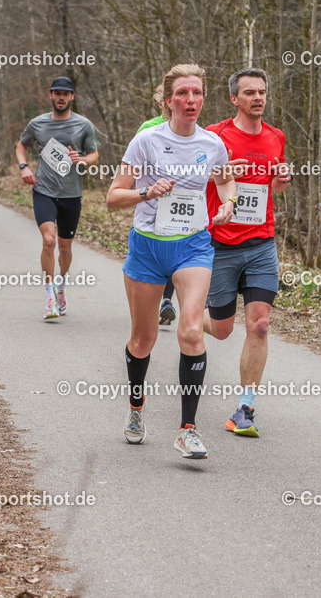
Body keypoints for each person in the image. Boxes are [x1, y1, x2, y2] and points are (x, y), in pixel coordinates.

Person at [107, 63, 236, 459]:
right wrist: (146, 192)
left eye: (197, 93)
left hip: (193, 246)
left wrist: (228, 202)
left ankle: (187, 429)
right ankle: (135, 409)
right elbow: (113, 196)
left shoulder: (212, 143)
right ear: (168, 101)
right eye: (182, 93)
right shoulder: (146, 141)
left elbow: (225, 178)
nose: (191, 100)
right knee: (143, 340)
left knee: (192, 331)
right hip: (147, 247)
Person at [203, 68, 290, 438]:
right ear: (234, 99)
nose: (258, 97)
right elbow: (192, 180)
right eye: (249, 92)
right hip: (221, 244)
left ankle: (245, 407)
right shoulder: (214, 135)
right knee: (221, 330)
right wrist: (219, 172)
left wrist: (280, 181)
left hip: (261, 244)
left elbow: (272, 188)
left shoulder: (276, 137)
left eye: (262, 92)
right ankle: (193, 322)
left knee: (260, 323)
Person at [16, 76, 100, 320]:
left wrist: (83, 159)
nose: (61, 97)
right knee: (49, 241)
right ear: (50, 95)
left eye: (65, 93)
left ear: (72, 97)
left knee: (64, 247)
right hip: (43, 190)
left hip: (71, 194)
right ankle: (49, 296)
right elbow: (21, 146)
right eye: (57, 93)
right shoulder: (37, 123)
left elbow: (95, 154)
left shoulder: (83, 124)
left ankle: (61, 286)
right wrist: (24, 167)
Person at [136, 101, 178, 326]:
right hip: (152, 203)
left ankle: (167, 300)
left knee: (174, 250)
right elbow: (136, 165)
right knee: (156, 256)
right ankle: (151, 301)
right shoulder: (147, 128)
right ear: (162, 102)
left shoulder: (192, 130)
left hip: (178, 204)